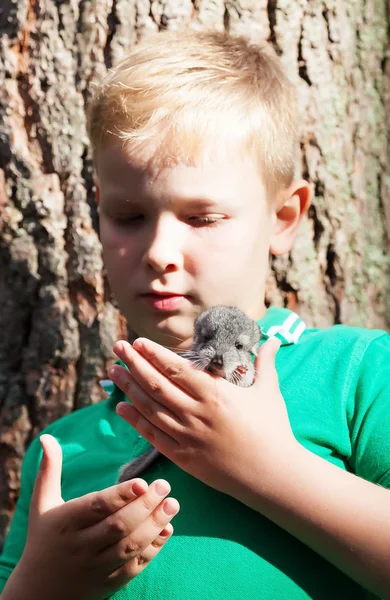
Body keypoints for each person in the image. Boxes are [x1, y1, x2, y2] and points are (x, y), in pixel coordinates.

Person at [1, 29, 390, 600]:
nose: (159, 253)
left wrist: (267, 467)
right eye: (128, 216)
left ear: (284, 218)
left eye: (203, 218)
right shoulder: (63, 450)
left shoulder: (356, 375)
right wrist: (43, 584)